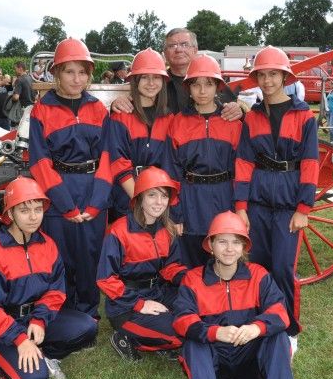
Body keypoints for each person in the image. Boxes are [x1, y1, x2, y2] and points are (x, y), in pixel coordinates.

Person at [173, 211, 310, 379]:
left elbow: (281, 313)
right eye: (222, 241)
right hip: (215, 367)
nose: (229, 249)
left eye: (236, 242)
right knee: (193, 343)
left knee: (277, 336)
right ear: (210, 245)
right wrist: (215, 333)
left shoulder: (258, 275)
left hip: (252, 362)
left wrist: (256, 328)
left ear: (245, 247)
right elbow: (181, 320)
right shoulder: (193, 279)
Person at [0, 177, 98, 379]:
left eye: (38, 209)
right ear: (10, 214)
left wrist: (40, 320)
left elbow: (55, 292)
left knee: (88, 327)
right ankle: (6, 367)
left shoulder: (48, 245)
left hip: (34, 318)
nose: (33, 217)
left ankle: (44, 354)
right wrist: (20, 339)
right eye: (24, 210)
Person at [234, 46, 318, 354]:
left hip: (287, 205)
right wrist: (241, 207)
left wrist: (304, 208)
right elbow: (243, 162)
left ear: (284, 76)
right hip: (257, 203)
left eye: (273, 74)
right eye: (262, 75)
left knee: (283, 267)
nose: (267, 81)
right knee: (256, 265)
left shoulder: (303, 116)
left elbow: (310, 163)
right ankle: (262, 322)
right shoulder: (252, 117)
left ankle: (289, 328)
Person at [27, 38, 112, 319]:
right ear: (56, 73)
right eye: (69, 71)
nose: (77, 79)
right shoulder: (43, 110)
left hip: (92, 189)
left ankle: (88, 311)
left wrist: (96, 203)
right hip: (58, 190)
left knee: (90, 254)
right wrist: (65, 204)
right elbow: (39, 162)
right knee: (60, 254)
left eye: (83, 72)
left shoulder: (98, 109)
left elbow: (108, 158)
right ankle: (61, 311)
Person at [97, 168, 187, 360]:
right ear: (139, 198)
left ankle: (156, 334)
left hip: (158, 293)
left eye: (164, 196)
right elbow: (105, 280)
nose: (159, 202)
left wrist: (189, 278)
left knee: (195, 314)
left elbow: (171, 267)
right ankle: (126, 337)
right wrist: (139, 304)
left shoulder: (167, 230)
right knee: (180, 334)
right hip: (126, 306)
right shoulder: (119, 231)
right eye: (152, 195)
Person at [166, 54, 242, 268]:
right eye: (196, 84)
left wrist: (240, 206)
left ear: (217, 86)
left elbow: (242, 170)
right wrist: (176, 211)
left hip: (224, 196)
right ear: (188, 88)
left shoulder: (232, 123)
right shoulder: (177, 123)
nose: (202, 91)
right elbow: (172, 170)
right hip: (191, 197)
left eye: (208, 84)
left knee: (222, 252)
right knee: (190, 257)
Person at [101, 48, 173, 222]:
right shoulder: (121, 116)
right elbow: (118, 163)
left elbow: (171, 163)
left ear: (163, 81)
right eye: (144, 77)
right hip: (127, 197)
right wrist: (139, 199)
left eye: (156, 77)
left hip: (158, 198)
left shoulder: (169, 118)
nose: (150, 83)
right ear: (135, 80)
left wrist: (158, 200)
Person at [111, 28, 243, 119]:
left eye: (184, 44)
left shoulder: (214, 82)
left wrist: (239, 110)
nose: (179, 49)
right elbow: (132, 106)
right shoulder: (155, 84)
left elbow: (234, 109)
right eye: (172, 45)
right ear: (165, 53)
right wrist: (116, 104)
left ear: (195, 49)